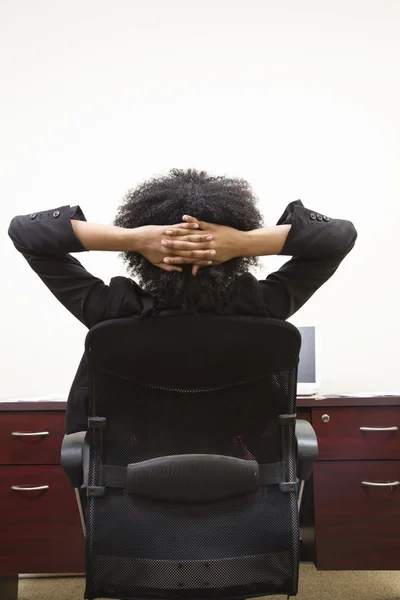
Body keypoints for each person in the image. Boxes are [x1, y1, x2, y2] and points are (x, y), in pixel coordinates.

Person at [8, 168, 357, 434]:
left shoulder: (113, 312)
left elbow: (25, 231)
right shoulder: (259, 309)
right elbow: (339, 236)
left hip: (129, 499)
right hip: (242, 493)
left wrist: (132, 239)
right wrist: (244, 242)